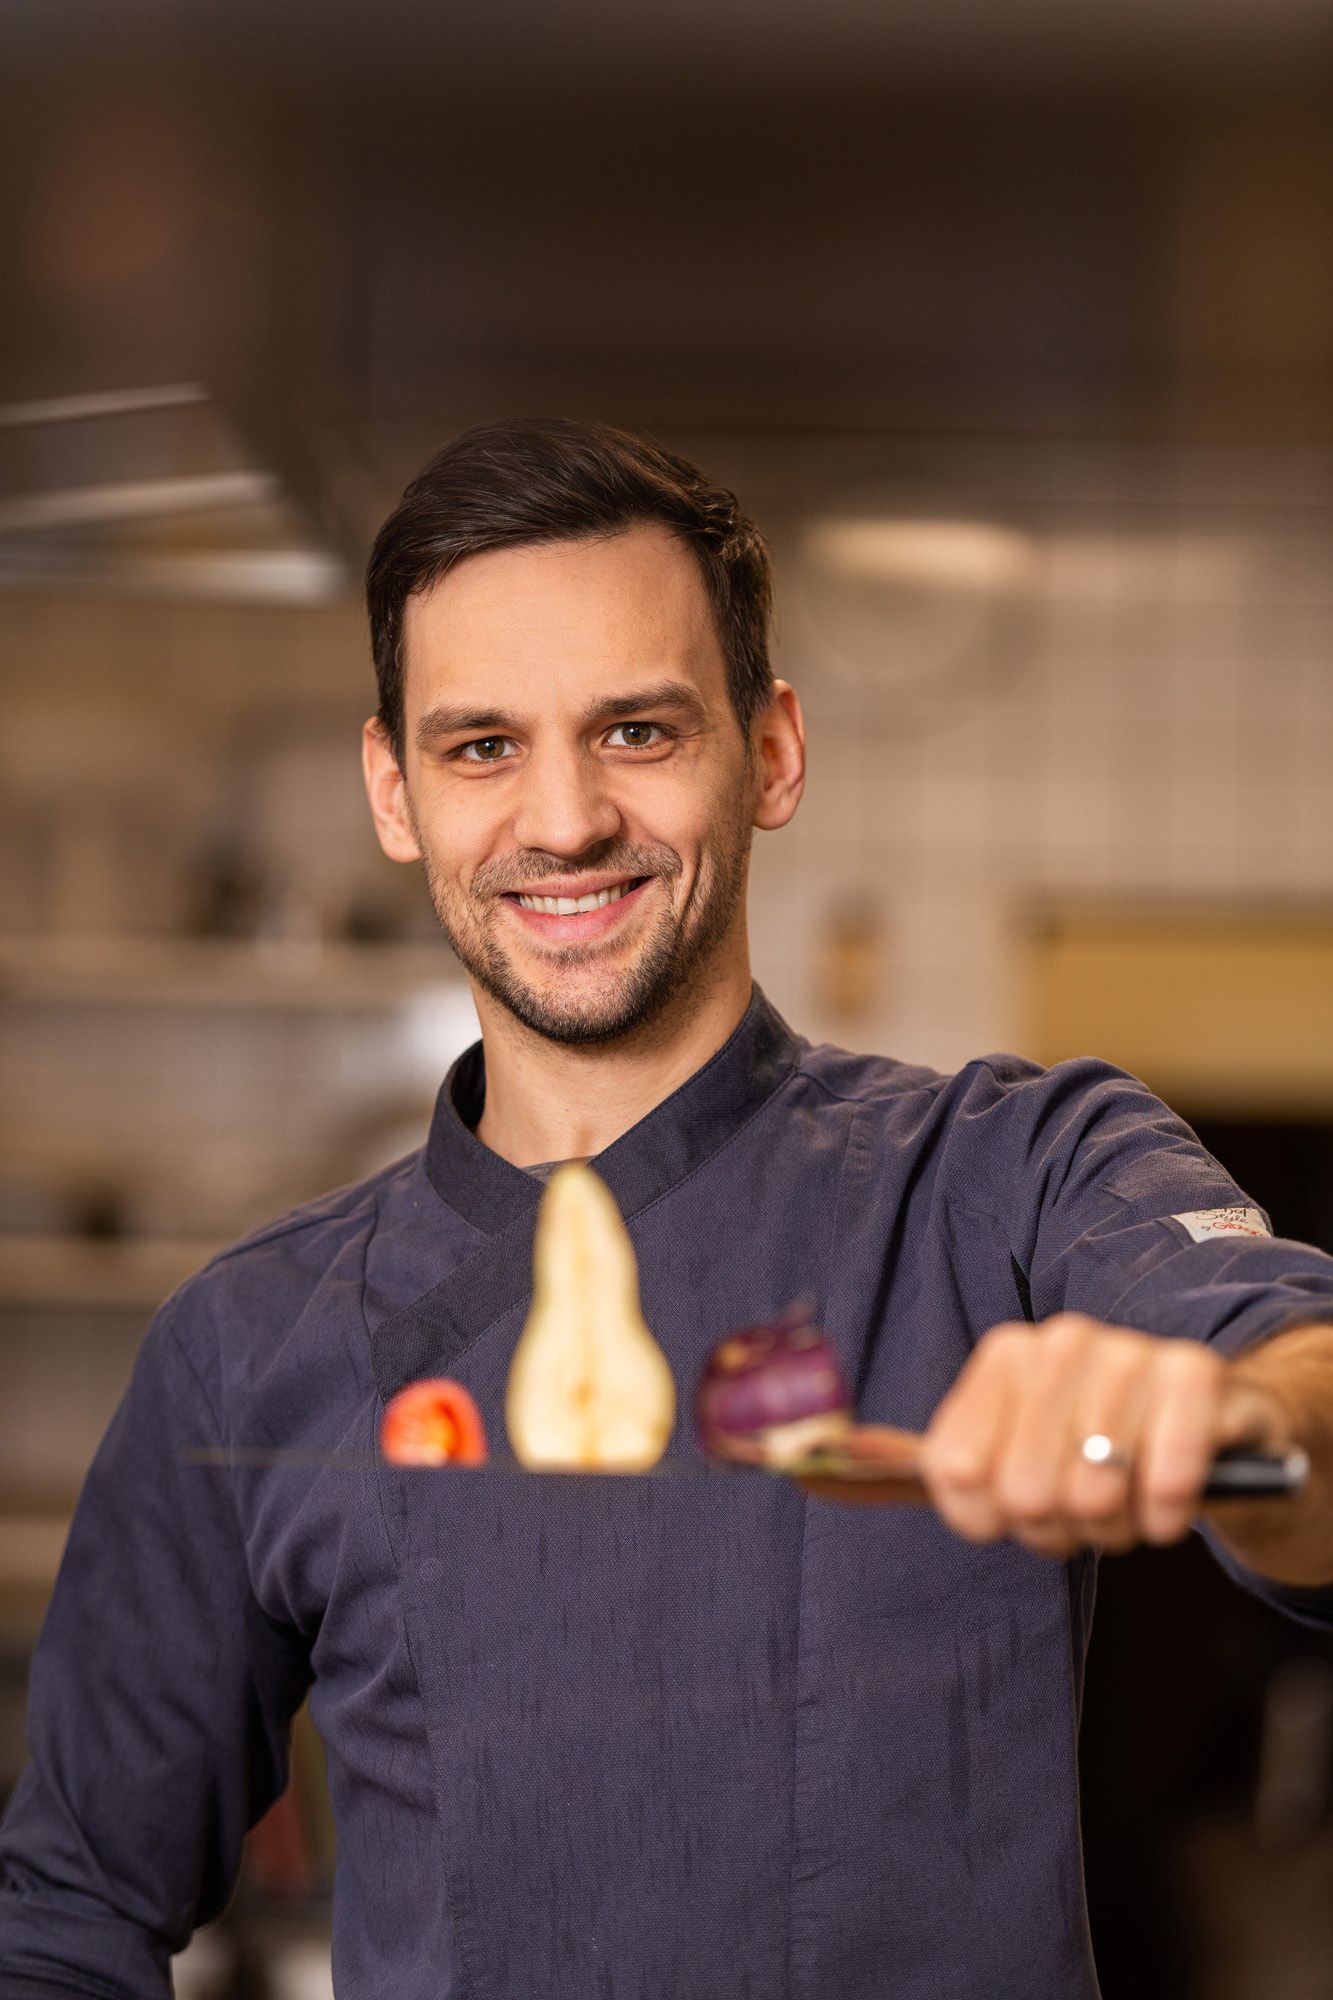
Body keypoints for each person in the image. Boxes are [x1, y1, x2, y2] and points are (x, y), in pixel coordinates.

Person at [1, 418, 1330, 2000]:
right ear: (393, 788)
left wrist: (1217, 1418)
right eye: (481, 745)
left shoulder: (1011, 1176)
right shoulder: (247, 1345)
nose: (560, 821)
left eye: (635, 731)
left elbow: (1309, 1406)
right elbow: (66, 1915)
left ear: (766, 749)